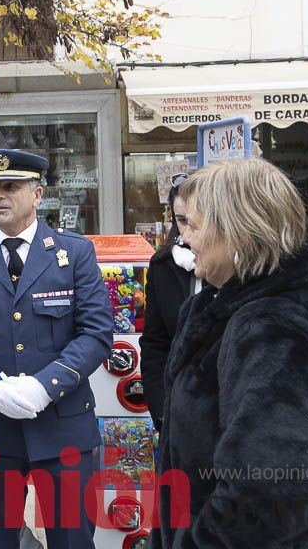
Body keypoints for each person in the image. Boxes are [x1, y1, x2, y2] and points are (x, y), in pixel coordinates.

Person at [154, 159, 308, 547]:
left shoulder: (272, 326)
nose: (184, 241)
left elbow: (268, 497)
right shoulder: (239, 307)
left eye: (195, 226)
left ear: (238, 231)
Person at [0, 149, 112, 549]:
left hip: (63, 424)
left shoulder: (74, 254)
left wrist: (44, 386)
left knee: (72, 540)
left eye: (11, 187)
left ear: (37, 195)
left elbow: (96, 332)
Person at [138, 173, 202, 432]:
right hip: (179, 418)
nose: (188, 235)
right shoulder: (163, 266)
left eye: (196, 222)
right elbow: (155, 344)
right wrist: (163, 412)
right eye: (181, 221)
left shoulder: (244, 269)